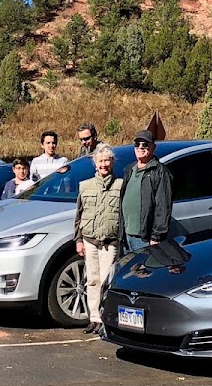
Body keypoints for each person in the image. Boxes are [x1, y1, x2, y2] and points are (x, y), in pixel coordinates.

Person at [74, 146, 122, 334]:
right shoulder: (85, 186)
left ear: (112, 163)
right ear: (95, 164)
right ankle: (93, 318)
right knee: (92, 280)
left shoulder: (120, 185)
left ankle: (105, 318)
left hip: (110, 242)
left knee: (106, 280)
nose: (104, 164)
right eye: (100, 161)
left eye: (107, 160)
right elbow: (79, 215)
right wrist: (78, 240)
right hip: (89, 240)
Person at [118, 130, 172, 254]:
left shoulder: (159, 171)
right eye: (137, 144)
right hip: (126, 236)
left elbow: (163, 206)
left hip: (144, 238)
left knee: (143, 271)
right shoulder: (129, 169)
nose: (140, 147)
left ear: (153, 147)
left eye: (145, 144)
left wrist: (156, 236)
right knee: (129, 271)